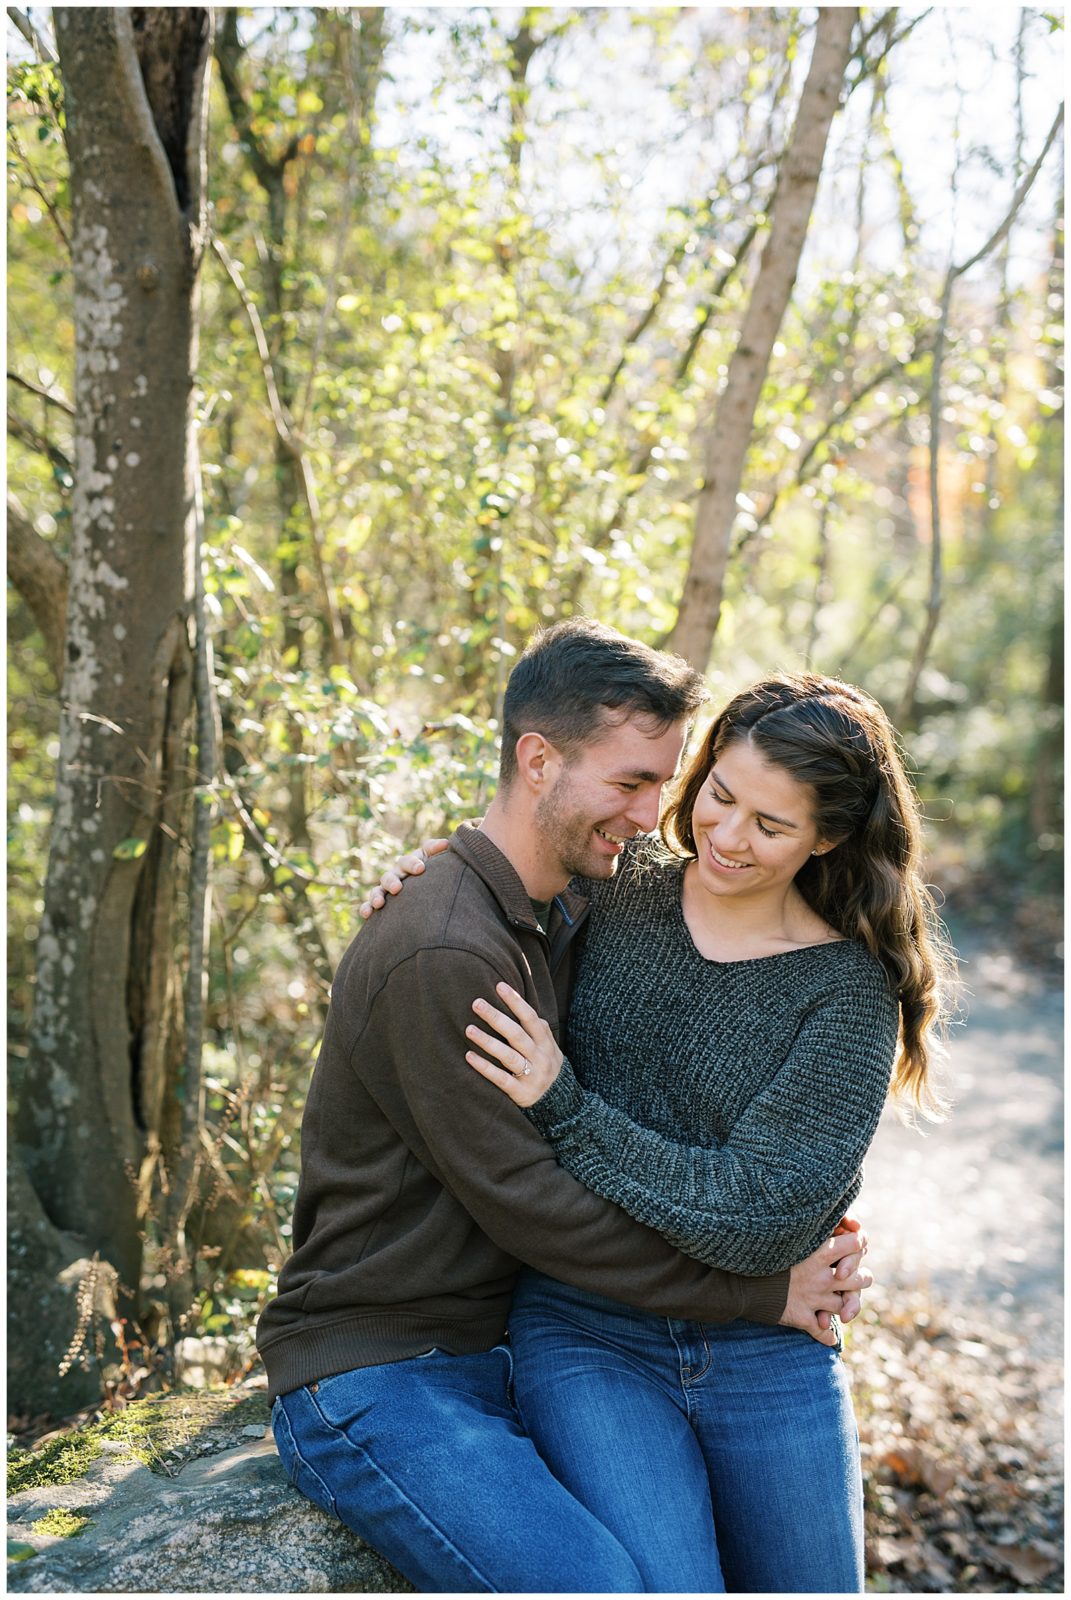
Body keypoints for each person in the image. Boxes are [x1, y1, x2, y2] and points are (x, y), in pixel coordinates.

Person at [256, 620, 874, 1595]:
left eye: (666, 782)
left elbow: (750, 1175)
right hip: (383, 1362)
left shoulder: (560, 907)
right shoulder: (458, 948)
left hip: (487, 1348)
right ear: (536, 760)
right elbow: (536, 1206)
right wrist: (762, 1291)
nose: (665, 818)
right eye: (640, 785)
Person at [368, 667, 954, 1593]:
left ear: (826, 837)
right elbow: (497, 888)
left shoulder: (846, 994)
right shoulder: (617, 888)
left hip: (769, 1351)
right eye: (718, 796)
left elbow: (756, 1215)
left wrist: (567, 1104)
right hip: (584, 1331)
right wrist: (426, 873)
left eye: (770, 825)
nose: (725, 836)